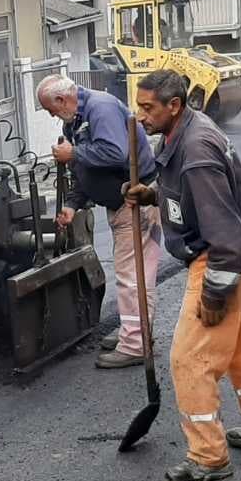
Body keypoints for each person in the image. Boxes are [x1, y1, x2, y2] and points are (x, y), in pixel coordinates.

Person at [126, 69, 241, 481]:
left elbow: (221, 229)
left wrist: (217, 289)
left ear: (174, 105)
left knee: (191, 359)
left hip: (218, 256)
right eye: (138, 105)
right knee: (239, 349)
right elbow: (187, 195)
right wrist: (153, 194)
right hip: (229, 247)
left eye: (148, 108)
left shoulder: (197, 149)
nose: (140, 115)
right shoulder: (181, 134)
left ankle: (208, 457)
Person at [36, 75, 161, 369]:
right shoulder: (76, 119)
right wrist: (72, 204)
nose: (52, 116)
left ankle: (135, 344)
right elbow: (86, 168)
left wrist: (73, 153)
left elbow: (116, 153)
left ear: (61, 100)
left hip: (135, 201)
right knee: (130, 273)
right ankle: (135, 333)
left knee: (132, 276)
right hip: (121, 203)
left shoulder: (100, 109)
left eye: (50, 109)